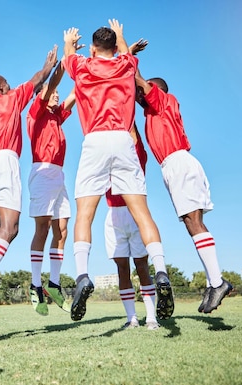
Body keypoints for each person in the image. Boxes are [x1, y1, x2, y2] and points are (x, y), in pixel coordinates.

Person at [62, 20, 174, 322]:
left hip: (95, 140)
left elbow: (68, 56)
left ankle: (82, 275)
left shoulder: (82, 67)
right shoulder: (126, 64)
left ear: (95, 48)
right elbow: (126, 53)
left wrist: (70, 40)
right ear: (115, 47)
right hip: (124, 139)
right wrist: (123, 38)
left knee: (84, 212)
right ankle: (161, 270)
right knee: (143, 213)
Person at [0, 45, 59, 324]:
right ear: (2, 86)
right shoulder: (10, 99)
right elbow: (38, 79)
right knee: (11, 229)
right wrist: (49, 64)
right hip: (5, 164)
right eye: (8, 83)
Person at [135, 69, 232, 314]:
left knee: (194, 221)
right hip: (174, 166)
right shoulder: (152, 110)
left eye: (141, 91)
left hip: (178, 163)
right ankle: (213, 282)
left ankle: (218, 282)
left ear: (152, 89)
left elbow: (137, 78)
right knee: (192, 223)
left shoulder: (162, 100)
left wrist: (126, 51)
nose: (137, 94)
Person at [25, 60, 76, 316]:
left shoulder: (57, 116)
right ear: (42, 96)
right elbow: (53, 84)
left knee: (63, 229)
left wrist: (92, 66)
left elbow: (74, 94)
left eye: (56, 93)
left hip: (59, 175)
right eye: (51, 92)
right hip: (42, 172)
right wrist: (66, 60)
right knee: (42, 229)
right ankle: (35, 285)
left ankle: (54, 284)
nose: (56, 94)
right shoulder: (36, 113)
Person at [105, 124, 159, 330]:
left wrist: (125, 114)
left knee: (142, 266)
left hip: (135, 213)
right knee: (122, 269)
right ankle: (132, 319)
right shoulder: (107, 159)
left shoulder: (137, 155)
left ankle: (152, 318)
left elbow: (133, 135)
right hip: (113, 215)